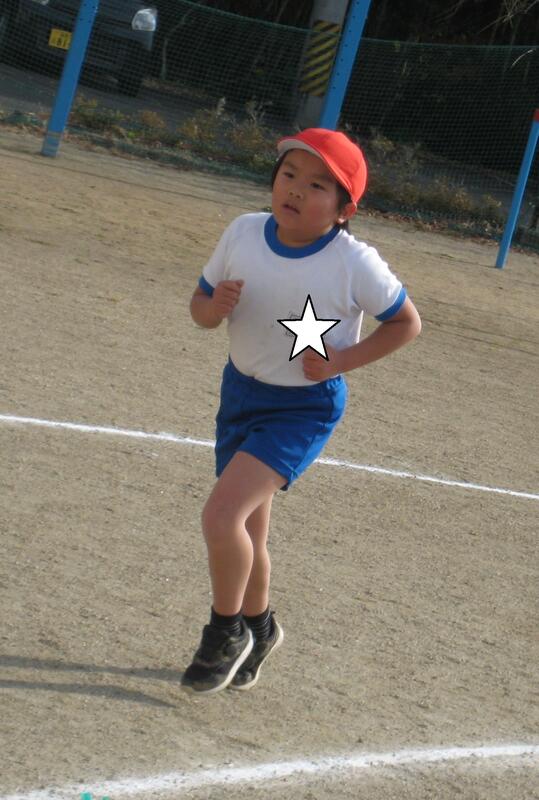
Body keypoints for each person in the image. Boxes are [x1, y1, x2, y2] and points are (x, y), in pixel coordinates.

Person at [182, 128, 421, 695]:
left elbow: (406, 323)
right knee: (249, 531)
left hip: (302, 409)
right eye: (288, 174)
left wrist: (342, 360)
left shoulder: (353, 262)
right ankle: (262, 629)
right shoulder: (244, 231)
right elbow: (200, 307)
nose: (295, 189)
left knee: (221, 517)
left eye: (317, 186)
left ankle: (225, 634)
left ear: (344, 210)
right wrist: (213, 309)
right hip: (241, 394)